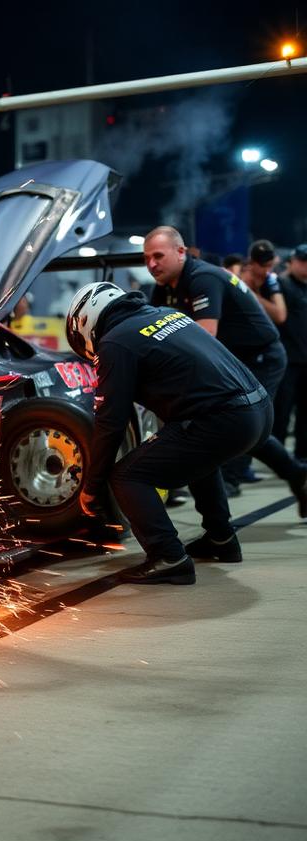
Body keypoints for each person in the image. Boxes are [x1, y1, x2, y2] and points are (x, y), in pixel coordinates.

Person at [67, 283, 271, 585]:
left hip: (225, 418)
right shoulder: (168, 314)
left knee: (127, 476)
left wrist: (92, 487)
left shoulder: (115, 342)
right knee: (195, 452)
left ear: (85, 322)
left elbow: (110, 423)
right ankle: (221, 539)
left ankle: (168, 556)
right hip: (260, 408)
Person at [143, 226, 307, 513]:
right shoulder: (165, 286)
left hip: (262, 356)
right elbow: (150, 333)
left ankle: (242, 480)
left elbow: (204, 336)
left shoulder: (202, 278)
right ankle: (295, 475)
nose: (151, 264)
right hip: (232, 358)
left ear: (181, 252)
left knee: (244, 425)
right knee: (235, 424)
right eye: (147, 258)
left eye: (158, 255)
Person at [272, 244, 307, 460]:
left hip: (306, 361)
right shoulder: (281, 285)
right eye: (302, 261)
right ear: (291, 262)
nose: (305, 265)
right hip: (288, 360)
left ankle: (302, 455)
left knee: (305, 412)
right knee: (281, 411)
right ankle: (277, 457)